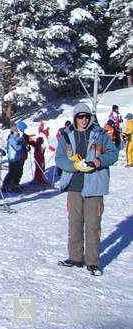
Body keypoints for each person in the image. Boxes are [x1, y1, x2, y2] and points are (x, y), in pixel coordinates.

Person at [56, 103, 118, 276]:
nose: (83, 120)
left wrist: (98, 162)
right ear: (75, 118)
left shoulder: (100, 134)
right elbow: (60, 159)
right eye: (80, 117)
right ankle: (75, 257)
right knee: (74, 223)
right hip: (74, 185)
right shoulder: (67, 135)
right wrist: (74, 165)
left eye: (86, 117)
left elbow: (113, 153)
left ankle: (92, 261)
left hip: (94, 185)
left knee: (92, 224)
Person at [3, 126, 26, 192]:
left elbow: (20, 143)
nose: (17, 132)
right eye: (16, 131)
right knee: (12, 172)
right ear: (12, 131)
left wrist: (22, 142)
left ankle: (14, 184)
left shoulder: (16, 138)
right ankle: (6, 185)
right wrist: (21, 143)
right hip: (13, 158)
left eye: (17, 131)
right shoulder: (11, 138)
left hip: (17, 158)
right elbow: (17, 147)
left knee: (17, 172)